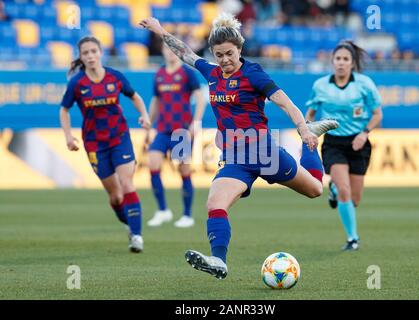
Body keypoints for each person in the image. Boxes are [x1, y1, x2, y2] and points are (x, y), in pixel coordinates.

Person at [139, 13, 338, 279]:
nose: (225, 60)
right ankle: (219, 261)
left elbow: (284, 102)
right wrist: (160, 30)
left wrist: (303, 129)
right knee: (214, 203)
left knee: (315, 189)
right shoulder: (211, 73)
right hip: (235, 158)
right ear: (213, 53)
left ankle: (312, 145)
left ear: (239, 50)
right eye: (219, 55)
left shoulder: (253, 73)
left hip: (264, 153)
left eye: (229, 54)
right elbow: (185, 52)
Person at [60, 36, 151, 253]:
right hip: (94, 144)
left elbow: (134, 96)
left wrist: (144, 115)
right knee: (116, 195)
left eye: (94, 51)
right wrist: (68, 137)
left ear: (101, 53)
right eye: (86, 53)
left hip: (119, 138)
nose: (90, 56)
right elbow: (64, 109)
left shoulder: (115, 77)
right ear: (81, 57)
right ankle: (130, 225)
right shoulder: (77, 83)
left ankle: (137, 236)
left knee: (127, 184)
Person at [305, 40, 383, 251]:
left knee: (354, 200)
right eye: (337, 59)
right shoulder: (320, 86)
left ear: (352, 63)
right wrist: (308, 130)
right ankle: (352, 238)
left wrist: (364, 133)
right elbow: (310, 113)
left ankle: (333, 188)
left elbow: (377, 114)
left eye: (345, 59)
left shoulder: (364, 84)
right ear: (332, 62)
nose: (341, 63)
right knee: (345, 191)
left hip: (359, 143)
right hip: (333, 144)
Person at [145, 43, 206, 228]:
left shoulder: (187, 73)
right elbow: (156, 100)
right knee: (153, 163)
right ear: (162, 51)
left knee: (184, 170)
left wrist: (196, 123)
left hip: (182, 130)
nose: (170, 53)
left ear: (178, 52)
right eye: (166, 49)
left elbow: (200, 97)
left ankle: (187, 215)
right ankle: (163, 210)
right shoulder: (160, 74)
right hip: (162, 129)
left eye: (173, 50)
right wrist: (149, 123)